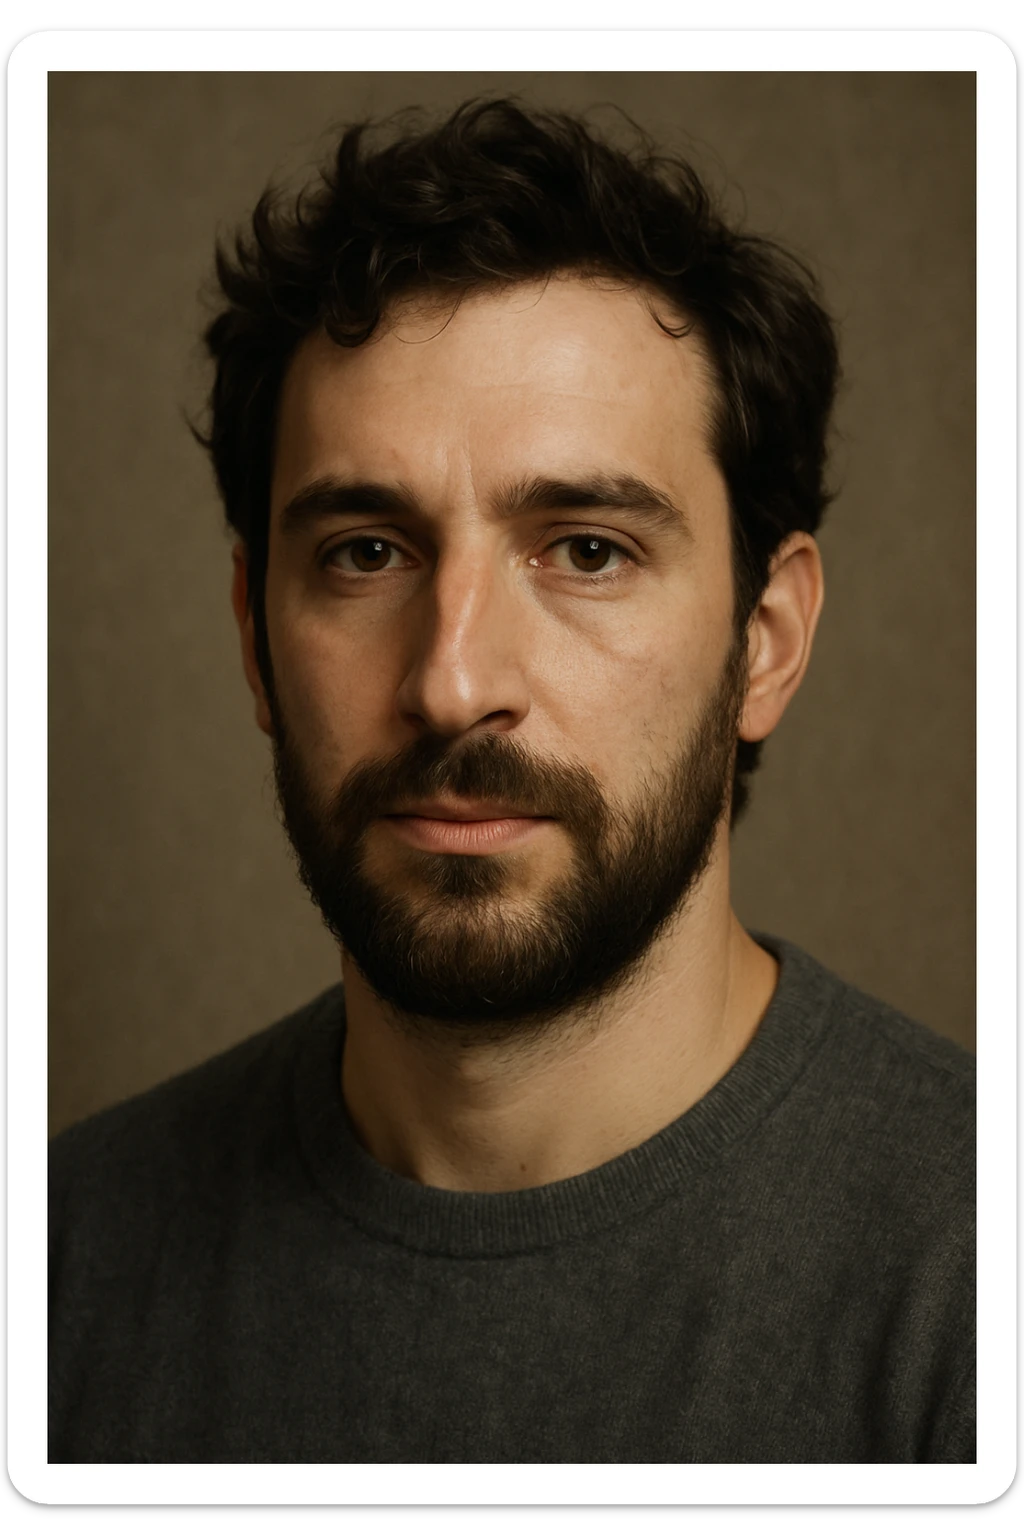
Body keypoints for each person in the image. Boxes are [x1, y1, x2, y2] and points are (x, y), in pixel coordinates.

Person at [48, 98, 975, 1465]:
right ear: (253, 636)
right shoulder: (59, 1266)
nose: (452, 679)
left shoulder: (974, 1283)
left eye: (587, 550)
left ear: (764, 642)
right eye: (366, 553)